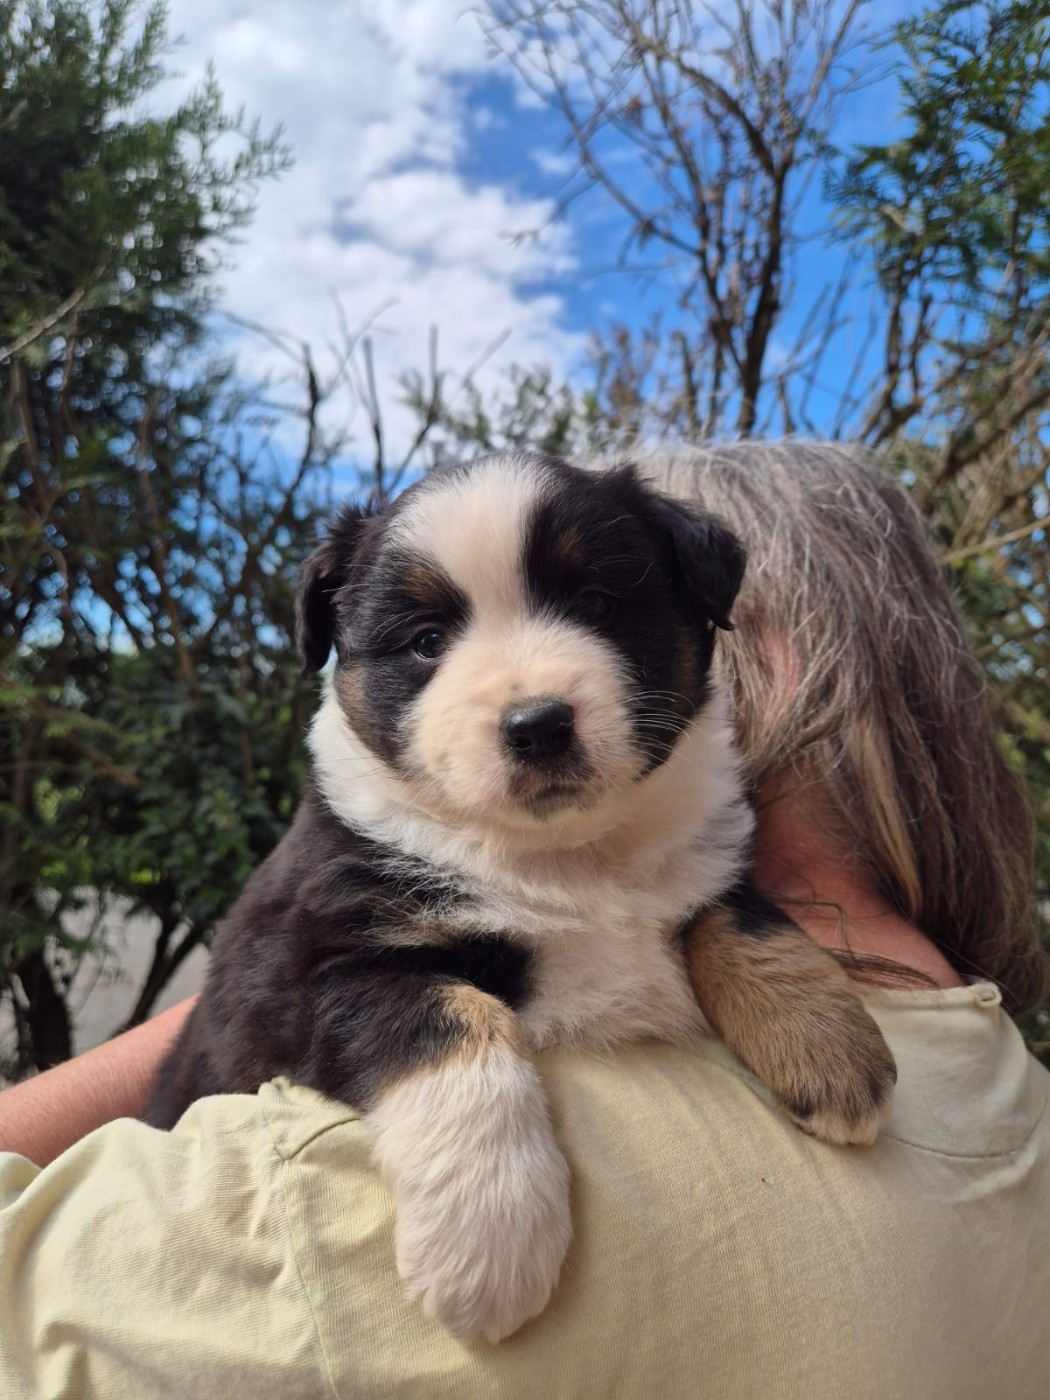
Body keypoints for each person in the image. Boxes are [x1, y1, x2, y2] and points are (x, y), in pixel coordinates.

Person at [1, 442, 1047, 1399]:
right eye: (420, 635)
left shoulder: (699, 849)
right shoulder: (1017, 1097)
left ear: (727, 628)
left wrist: (743, 945)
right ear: (341, 660)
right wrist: (458, 1087)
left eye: (594, 597)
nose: (527, 693)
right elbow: (325, 974)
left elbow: (694, 898)